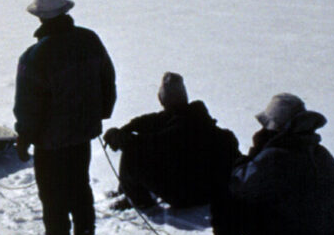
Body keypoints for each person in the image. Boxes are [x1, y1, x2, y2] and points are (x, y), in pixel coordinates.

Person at [13, 0, 116, 235]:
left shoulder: (34, 56)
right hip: (83, 130)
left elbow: (27, 105)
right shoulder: (89, 40)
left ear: (39, 16)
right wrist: (100, 113)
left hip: (50, 138)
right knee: (79, 184)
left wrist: (24, 136)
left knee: (51, 190)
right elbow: (107, 78)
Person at [209, 93, 334, 235]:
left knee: (225, 203)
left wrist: (256, 152)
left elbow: (238, 183)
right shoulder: (321, 154)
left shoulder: (274, 158)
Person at [103, 72, 240, 212]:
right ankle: (125, 190)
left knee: (132, 154)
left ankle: (140, 202)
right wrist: (129, 127)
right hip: (206, 189)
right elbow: (154, 120)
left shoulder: (179, 128)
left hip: (190, 196)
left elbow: (144, 143)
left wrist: (119, 137)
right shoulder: (194, 116)